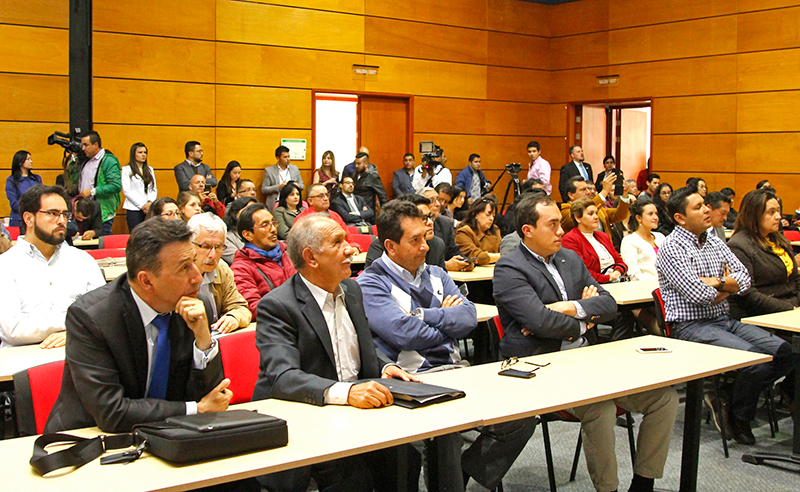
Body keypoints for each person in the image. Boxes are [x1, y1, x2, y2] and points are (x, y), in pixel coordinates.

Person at [494, 192, 679, 492]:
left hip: (587, 360)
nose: (561, 231)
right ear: (528, 230)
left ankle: (643, 482)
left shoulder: (569, 258)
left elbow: (608, 305)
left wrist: (570, 308)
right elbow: (539, 322)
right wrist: (585, 318)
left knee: (665, 398)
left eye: (560, 224)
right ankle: (608, 489)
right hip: (541, 366)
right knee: (602, 409)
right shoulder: (510, 268)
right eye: (552, 224)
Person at [358, 200, 534, 491]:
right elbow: (405, 334)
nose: (425, 247)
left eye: (425, 237)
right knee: (449, 432)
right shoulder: (371, 283)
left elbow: (468, 319)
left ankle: (464, 472)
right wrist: (447, 323)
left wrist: (424, 315)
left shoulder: (438, 274)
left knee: (522, 414)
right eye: (414, 241)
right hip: (414, 379)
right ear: (390, 246)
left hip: (457, 371)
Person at [252, 213, 420, 492]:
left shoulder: (352, 290)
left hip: (356, 415)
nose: (351, 248)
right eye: (338, 241)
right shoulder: (278, 306)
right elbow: (283, 377)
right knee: (354, 480)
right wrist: (347, 393)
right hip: (307, 417)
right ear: (311, 257)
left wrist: (383, 366)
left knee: (406, 457)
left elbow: (356, 349)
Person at [44, 218, 231, 433]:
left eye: (194, 262)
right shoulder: (92, 317)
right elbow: (112, 412)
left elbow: (216, 396)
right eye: (184, 268)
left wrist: (203, 339)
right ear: (146, 281)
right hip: (90, 438)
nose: (198, 277)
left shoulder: (194, 306)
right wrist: (195, 409)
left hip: (169, 434)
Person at [656, 186, 795, 445]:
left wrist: (717, 282)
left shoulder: (714, 241)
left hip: (724, 320)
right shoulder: (671, 249)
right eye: (698, 207)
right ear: (680, 218)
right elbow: (699, 295)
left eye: (705, 205)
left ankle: (727, 397)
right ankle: (739, 417)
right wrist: (726, 285)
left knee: (785, 352)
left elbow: (744, 280)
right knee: (756, 360)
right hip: (690, 326)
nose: (707, 209)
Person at [0, 185, 105, 348]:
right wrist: (75, 327)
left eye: (65, 214)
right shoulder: (6, 265)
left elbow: (104, 315)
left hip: (79, 352)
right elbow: (14, 331)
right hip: (22, 358)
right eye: (53, 213)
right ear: (29, 219)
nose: (62, 221)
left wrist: (72, 334)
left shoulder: (83, 260)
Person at [728, 188, 800, 319]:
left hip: (792, 308)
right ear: (754, 215)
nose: (778, 216)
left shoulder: (778, 240)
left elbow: (796, 279)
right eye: (771, 212)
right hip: (763, 315)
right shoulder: (739, 245)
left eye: (778, 211)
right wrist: (790, 309)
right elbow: (749, 294)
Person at [187, 213, 251, 334]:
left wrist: (233, 317)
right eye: (205, 247)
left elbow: (241, 307)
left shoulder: (221, 268)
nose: (213, 255)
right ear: (189, 243)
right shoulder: (177, 272)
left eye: (218, 247)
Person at [231, 203, 296, 318]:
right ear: (248, 235)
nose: (273, 229)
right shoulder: (241, 268)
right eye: (265, 225)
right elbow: (255, 308)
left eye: (273, 223)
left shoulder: (289, 251)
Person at [364, 194, 450, 271]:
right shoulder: (380, 247)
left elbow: (443, 284)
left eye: (430, 216)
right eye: (423, 218)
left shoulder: (437, 245)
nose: (430, 222)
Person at [562, 198, 627, 284]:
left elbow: (619, 261)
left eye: (596, 213)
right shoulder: (570, 239)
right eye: (590, 214)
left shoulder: (603, 236)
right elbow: (581, 271)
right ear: (578, 218)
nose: (596, 217)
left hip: (615, 281)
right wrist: (607, 278)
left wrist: (618, 271)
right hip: (593, 286)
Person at [74, 131, 122, 236]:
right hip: (85, 212)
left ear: (95, 145)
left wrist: (92, 191)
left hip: (102, 212)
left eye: (86, 145)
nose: (83, 148)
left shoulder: (108, 161)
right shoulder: (86, 161)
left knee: (103, 245)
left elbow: (116, 185)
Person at [297, 183, 362, 252]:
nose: (325, 198)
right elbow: (299, 246)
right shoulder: (302, 219)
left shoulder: (335, 216)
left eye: (327, 195)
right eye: (320, 196)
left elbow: (348, 239)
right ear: (310, 201)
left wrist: (355, 247)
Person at [561, 175, 632, 234]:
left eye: (588, 189)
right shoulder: (565, 210)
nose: (588, 192)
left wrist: (624, 195)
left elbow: (620, 215)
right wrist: (605, 191)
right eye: (583, 190)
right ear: (571, 195)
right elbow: (583, 210)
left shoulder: (599, 209)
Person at [620, 198, 665, 282]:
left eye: (656, 214)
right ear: (639, 218)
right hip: (646, 287)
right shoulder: (629, 241)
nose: (655, 217)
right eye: (650, 214)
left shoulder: (660, 237)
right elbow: (633, 274)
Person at [455, 196, 502, 265]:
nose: (491, 218)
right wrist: (504, 256)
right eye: (488, 214)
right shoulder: (464, 232)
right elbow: (477, 257)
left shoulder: (495, 230)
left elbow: (503, 248)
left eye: (493, 216)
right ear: (475, 214)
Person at [121, 142, 157, 232]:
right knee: (136, 234)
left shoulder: (150, 169)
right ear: (134, 154)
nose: (143, 155)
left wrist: (149, 202)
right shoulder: (126, 169)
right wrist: (142, 206)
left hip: (148, 209)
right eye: (140, 152)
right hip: (134, 208)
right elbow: (127, 191)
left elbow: (153, 188)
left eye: (145, 152)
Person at [5, 150, 42, 227]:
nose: (31, 161)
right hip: (19, 219)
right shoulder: (11, 180)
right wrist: (29, 211)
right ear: (20, 162)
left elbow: (41, 196)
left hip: (36, 217)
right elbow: (14, 203)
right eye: (28, 159)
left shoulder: (36, 179)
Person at [261, 145, 304, 210]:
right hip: (276, 202)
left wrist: (297, 185)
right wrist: (278, 187)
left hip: (292, 203)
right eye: (285, 157)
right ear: (278, 158)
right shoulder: (269, 170)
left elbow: (302, 185)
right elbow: (264, 189)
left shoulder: (295, 169)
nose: (288, 159)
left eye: (289, 156)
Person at [222, 196, 257, 265]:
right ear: (236, 214)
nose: (255, 215)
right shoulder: (226, 237)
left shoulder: (262, 231)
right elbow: (240, 261)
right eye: (249, 210)